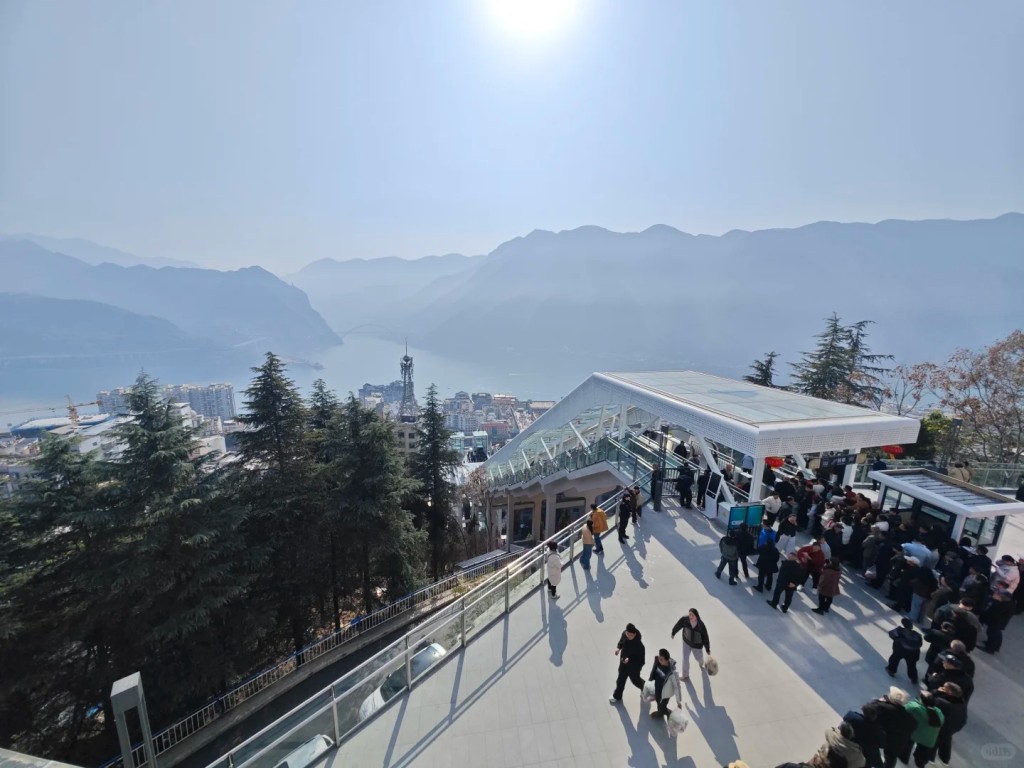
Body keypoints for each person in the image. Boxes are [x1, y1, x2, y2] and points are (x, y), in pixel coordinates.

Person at [869, 688, 917, 768]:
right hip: (897, 743)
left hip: (881, 737)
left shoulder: (884, 707)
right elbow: (913, 726)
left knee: (871, 750)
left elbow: (869, 708)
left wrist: (879, 701)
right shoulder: (910, 718)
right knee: (891, 759)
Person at [902, 692, 944, 767]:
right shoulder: (939, 712)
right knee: (922, 756)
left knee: (907, 742)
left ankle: (904, 758)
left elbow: (903, 710)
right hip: (929, 739)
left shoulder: (915, 707)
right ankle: (920, 764)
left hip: (914, 733)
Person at [670, 607, 710, 680]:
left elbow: (705, 637)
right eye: (689, 614)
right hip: (686, 642)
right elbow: (678, 625)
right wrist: (673, 632)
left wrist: (707, 648)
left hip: (697, 646)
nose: (690, 617)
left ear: (696, 616)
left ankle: (701, 662)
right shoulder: (684, 620)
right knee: (685, 658)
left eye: (692, 615)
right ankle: (685, 675)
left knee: (698, 658)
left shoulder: (701, 625)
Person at [610, 623, 646, 704]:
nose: (629, 636)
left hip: (633, 668)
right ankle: (617, 696)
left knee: (636, 681)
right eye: (627, 634)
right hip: (623, 664)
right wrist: (618, 648)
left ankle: (645, 688)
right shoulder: (624, 634)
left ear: (635, 634)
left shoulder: (639, 646)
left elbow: (641, 661)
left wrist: (630, 660)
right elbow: (621, 641)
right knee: (620, 680)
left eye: (631, 635)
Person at [932, 682, 967, 765]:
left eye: (944, 688)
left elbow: (931, 699)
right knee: (946, 739)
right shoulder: (962, 701)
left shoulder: (942, 701)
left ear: (950, 692)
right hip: (957, 724)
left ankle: (930, 757)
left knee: (935, 739)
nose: (942, 688)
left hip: (945, 725)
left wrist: (937, 691)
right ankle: (945, 759)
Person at [843, 704, 884, 768]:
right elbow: (882, 744)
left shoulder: (851, 716)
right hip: (867, 753)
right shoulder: (876, 728)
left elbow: (846, 718)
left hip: (850, 745)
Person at [886, 618, 923, 684]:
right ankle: (914, 678)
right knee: (911, 666)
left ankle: (891, 670)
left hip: (899, 649)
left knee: (894, 659)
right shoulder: (917, 635)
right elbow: (920, 644)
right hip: (912, 653)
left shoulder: (899, 630)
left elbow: (891, 634)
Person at [646, 648, 681, 718]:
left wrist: (678, 701)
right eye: (659, 658)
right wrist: (650, 678)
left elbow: (677, 687)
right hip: (657, 686)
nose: (659, 660)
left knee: (662, 704)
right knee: (658, 701)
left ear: (667, 660)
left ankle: (661, 714)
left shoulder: (671, 673)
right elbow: (654, 668)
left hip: (666, 692)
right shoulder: (657, 659)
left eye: (661, 659)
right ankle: (664, 711)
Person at [981, 587, 1014, 654]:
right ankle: (995, 646)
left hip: (997, 622)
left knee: (993, 634)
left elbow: (997, 612)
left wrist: (997, 601)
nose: (999, 596)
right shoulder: (1009, 602)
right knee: (996, 634)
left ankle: (990, 649)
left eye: (1000, 595)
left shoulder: (1005, 605)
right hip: (998, 622)